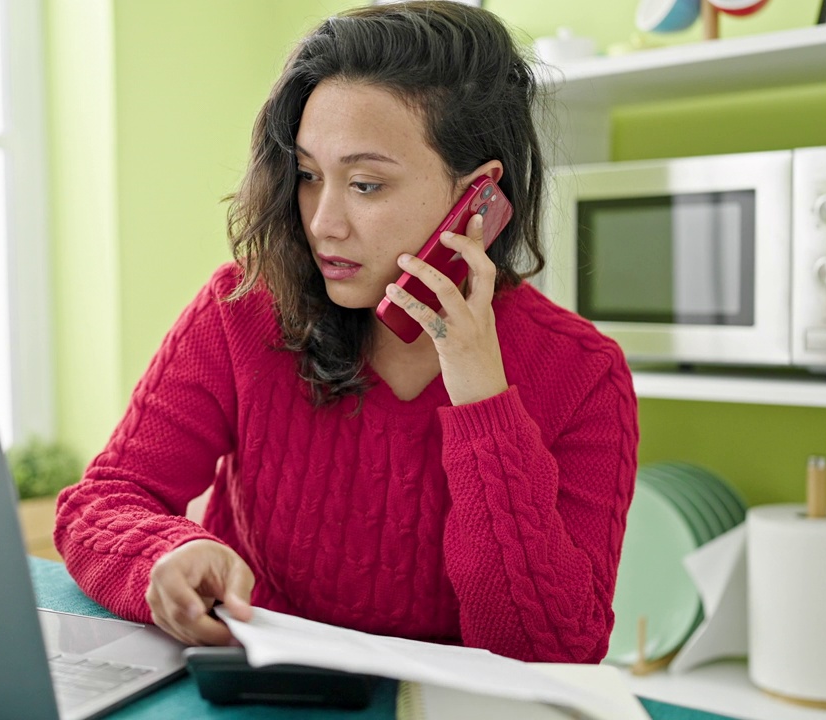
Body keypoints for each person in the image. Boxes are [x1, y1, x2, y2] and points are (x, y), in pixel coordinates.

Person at [54, 1, 637, 664]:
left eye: (365, 183)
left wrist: (480, 394)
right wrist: (171, 553)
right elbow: (102, 500)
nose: (323, 221)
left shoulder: (585, 373)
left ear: (477, 196)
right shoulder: (242, 308)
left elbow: (552, 651)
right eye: (308, 176)